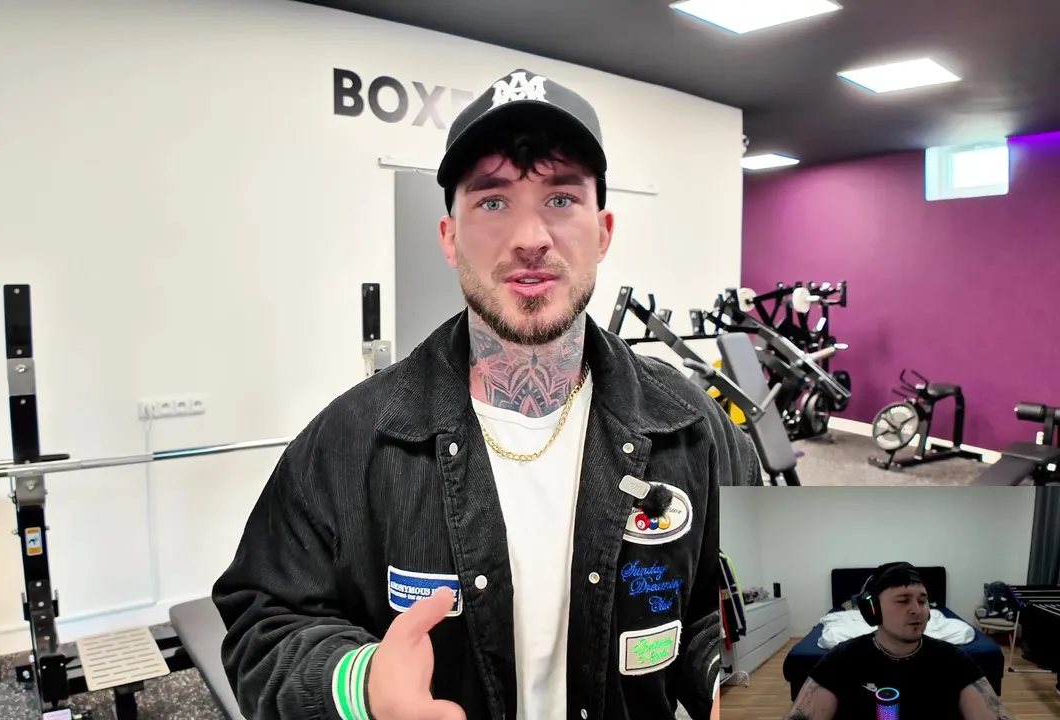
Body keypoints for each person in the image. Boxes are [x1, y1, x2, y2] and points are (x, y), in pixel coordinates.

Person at [212, 68, 761, 720]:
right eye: (493, 202)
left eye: (561, 198)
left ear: (604, 232)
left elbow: (731, 602)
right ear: (450, 238)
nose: (530, 238)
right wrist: (362, 683)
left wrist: (727, 679)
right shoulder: (347, 442)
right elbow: (264, 624)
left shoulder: (698, 433)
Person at [783, 562, 1014, 720]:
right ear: (873, 610)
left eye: (922, 601)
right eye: (903, 600)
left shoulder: (953, 659)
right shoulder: (842, 660)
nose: (917, 610)